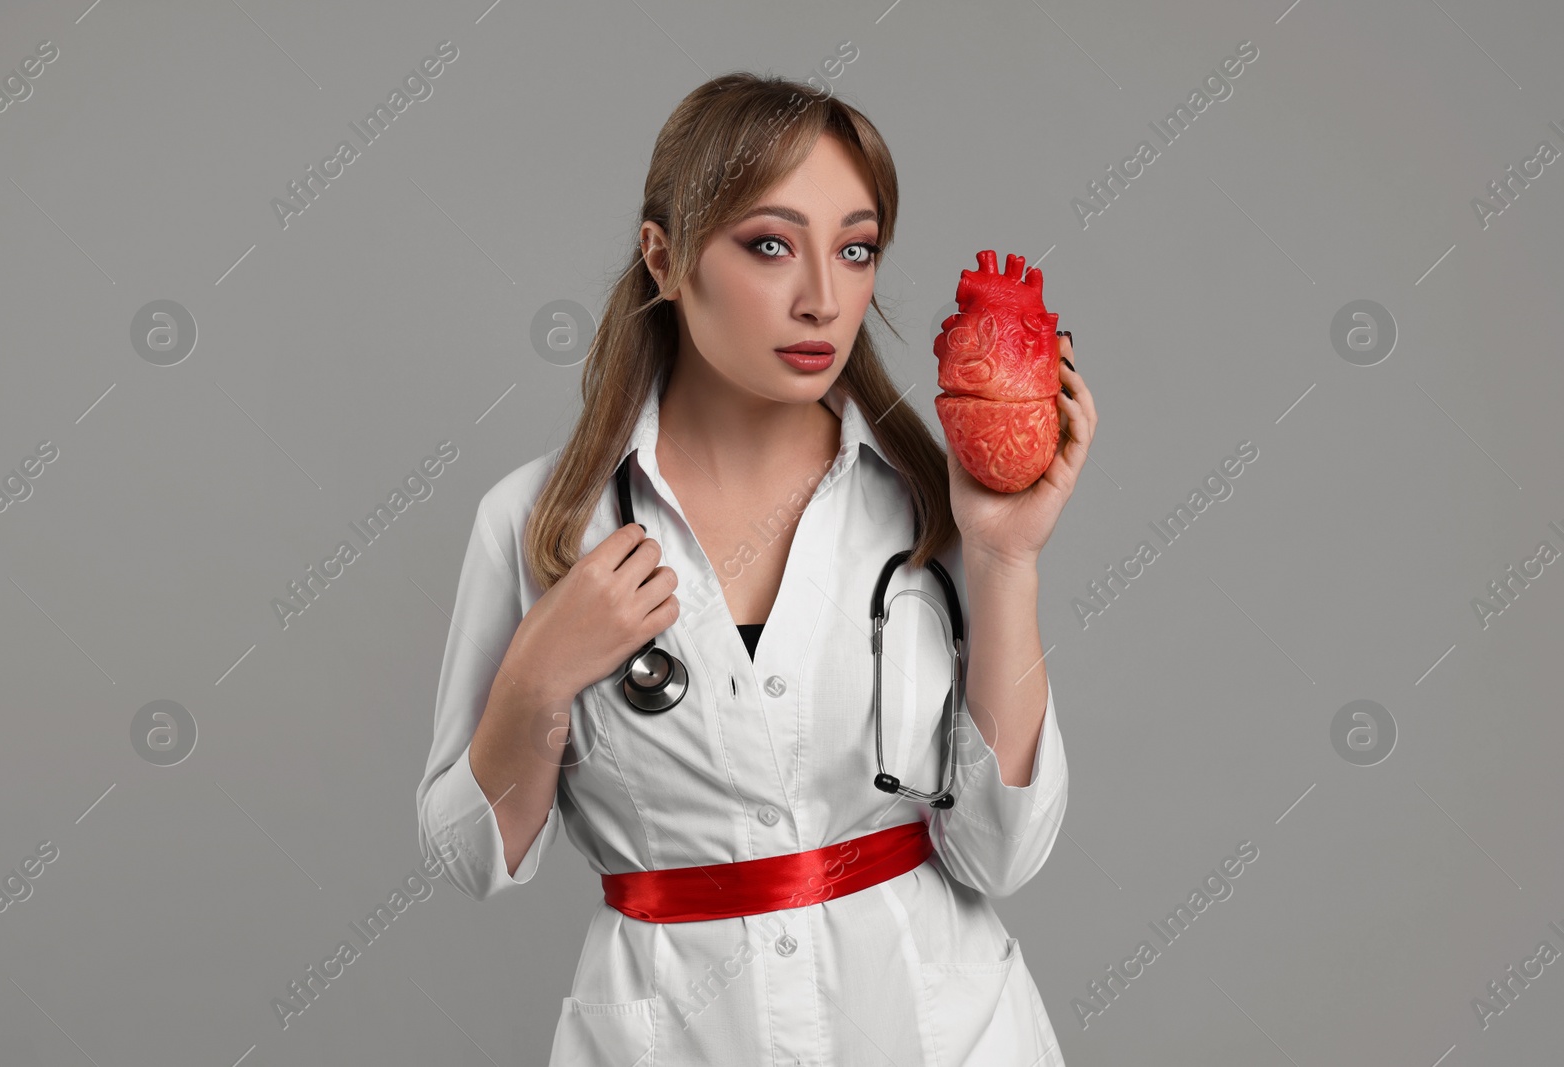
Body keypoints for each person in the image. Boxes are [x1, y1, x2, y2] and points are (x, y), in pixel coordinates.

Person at [416, 71, 1097, 1067]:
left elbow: (1000, 850)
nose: (823, 297)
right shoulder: (539, 522)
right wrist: (534, 677)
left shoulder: (931, 504)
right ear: (665, 256)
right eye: (769, 244)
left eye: (855, 248)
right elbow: (469, 856)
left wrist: (1003, 555)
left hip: (940, 1033)